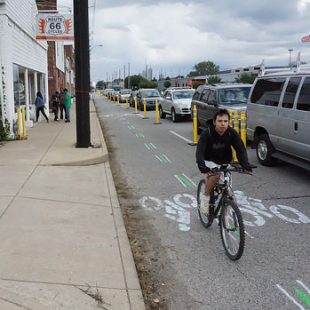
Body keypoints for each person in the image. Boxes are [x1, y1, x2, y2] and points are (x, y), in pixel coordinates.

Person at [195, 109, 252, 215]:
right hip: (209, 160)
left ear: (228, 122)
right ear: (214, 122)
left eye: (225, 121)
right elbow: (200, 150)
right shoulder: (207, 133)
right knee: (215, 176)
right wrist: (201, 165)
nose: (223, 124)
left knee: (227, 188)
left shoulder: (231, 133)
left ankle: (225, 214)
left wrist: (245, 165)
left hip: (224, 161)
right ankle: (205, 197)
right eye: (220, 121)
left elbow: (240, 149)